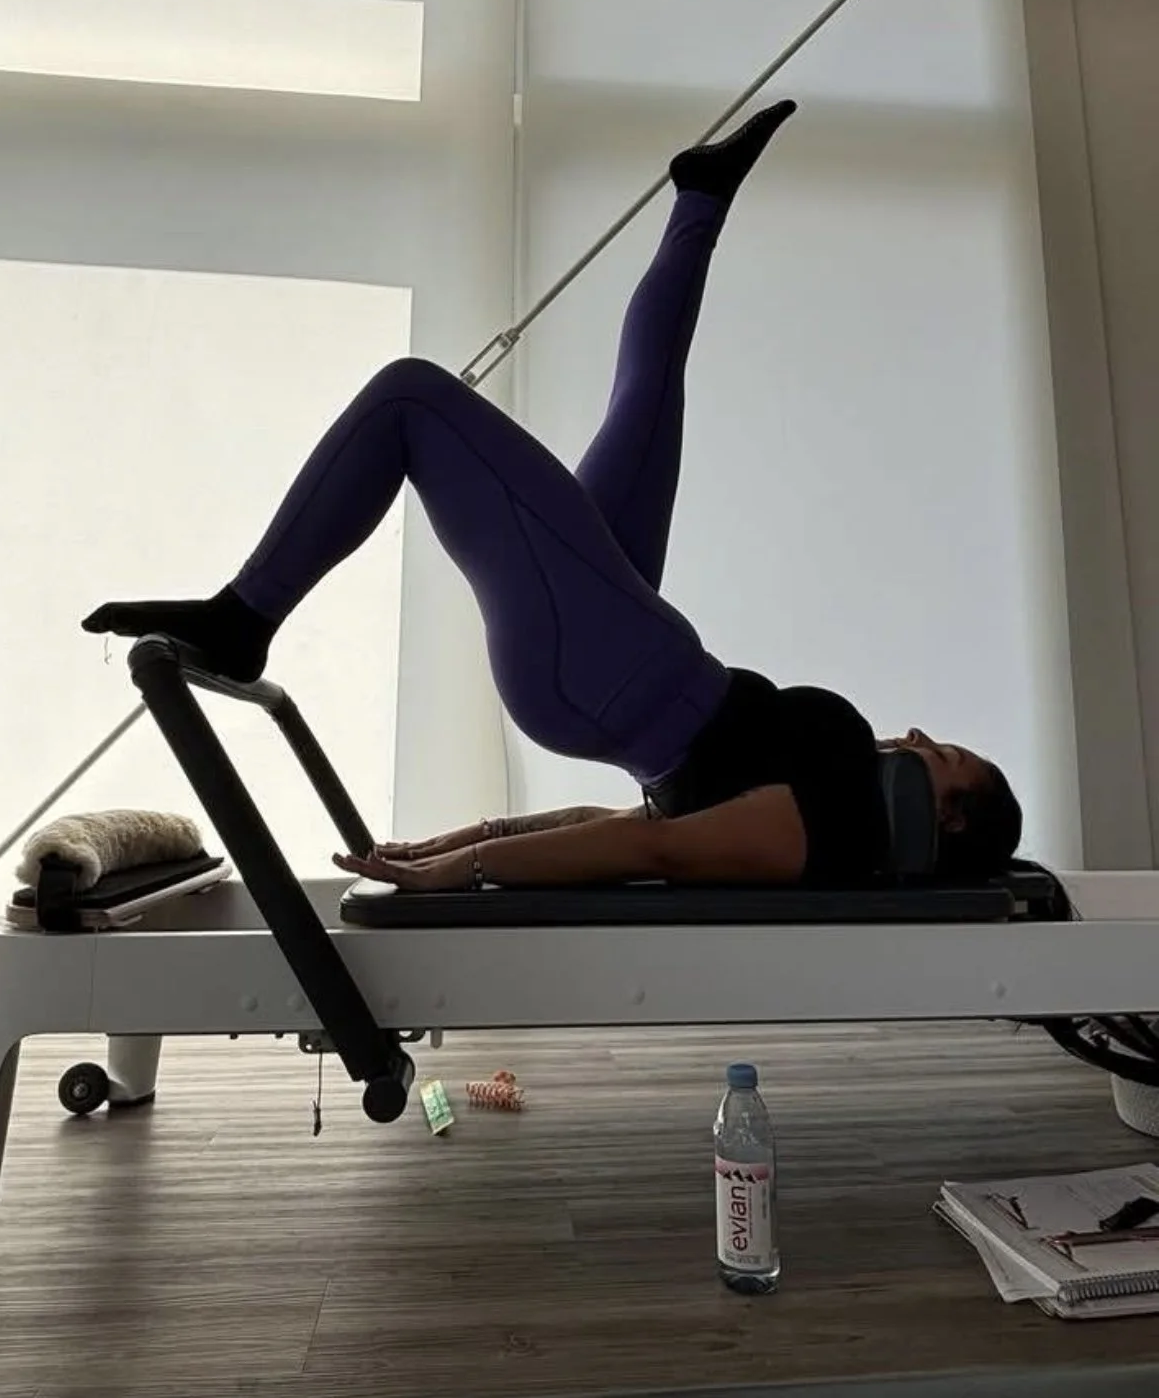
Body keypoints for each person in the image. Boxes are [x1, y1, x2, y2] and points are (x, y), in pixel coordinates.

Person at [83, 99, 1022, 894]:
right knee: (650, 393)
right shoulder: (833, 786)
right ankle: (701, 194)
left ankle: (245, 613)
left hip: (600, 668)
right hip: (633, 652)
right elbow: (628, 814)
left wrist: (471, 868)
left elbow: (652, 845)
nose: (920, 736)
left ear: (941, 818)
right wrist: (473, 832)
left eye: (939, 758)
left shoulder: (830, 829)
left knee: (412, 396)